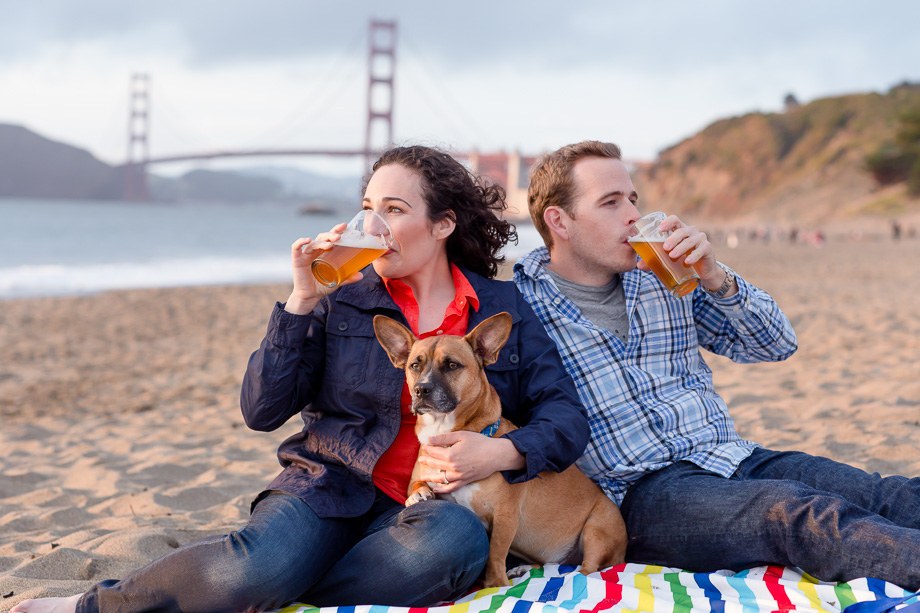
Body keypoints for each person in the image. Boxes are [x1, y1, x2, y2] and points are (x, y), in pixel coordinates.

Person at [12, 145, 589, 613]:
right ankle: (96, 606)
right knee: (254, 565)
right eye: (368, 207)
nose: (373, 224)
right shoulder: (341, 301)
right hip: (330, 486)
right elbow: (261, 410)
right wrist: (301, 301)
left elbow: (565, 416)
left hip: (428, 503)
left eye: (393, 209)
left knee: (451, 548)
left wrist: (502, 454)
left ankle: (277, 589)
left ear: (442, 224)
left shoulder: (499, 307)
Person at [512, 140, 920, 591]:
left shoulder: (665, 275)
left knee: (882, 494)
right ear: (559, 221)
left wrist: (714, 275)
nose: (632, 215)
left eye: (633, 199)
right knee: (796, 513)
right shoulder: (519, 310)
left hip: (731, 455)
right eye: (610, 202)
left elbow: (776, 344)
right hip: (640, 495)